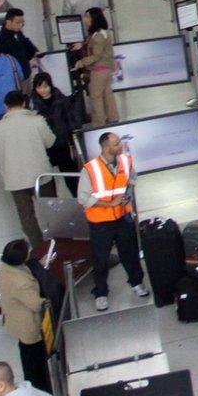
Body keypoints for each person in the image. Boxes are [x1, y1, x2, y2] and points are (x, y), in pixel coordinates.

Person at [79, 132, 148, 311]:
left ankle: (136, 282)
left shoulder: (125, 161)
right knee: (100, 258)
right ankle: (101, 292)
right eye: (117, 143)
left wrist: (128, 193)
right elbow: (83, 198)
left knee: (130, 252)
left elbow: (132, 177)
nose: (121, 146)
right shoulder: (90, 169)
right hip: (101, 222)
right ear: (105, 147)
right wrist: (109, 203)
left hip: (123, 218)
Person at [0, 92, 53, 247]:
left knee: (26, 216)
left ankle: (39, 248)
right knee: (52, 211)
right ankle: (59, 243)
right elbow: (50, 142)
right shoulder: (37, 121)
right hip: (41, 175)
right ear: (24, 104)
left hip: (14, 179)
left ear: (5, 106)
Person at [0, 243, 51, 396]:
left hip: (15, 318)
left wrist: (38, 266)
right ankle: (40, 389)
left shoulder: (7, 268)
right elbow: (35, 304)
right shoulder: (22, 283)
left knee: (26, 350)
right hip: (28, 324)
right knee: (34, 359)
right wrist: (47, 301)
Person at [26, 75, 79, 180]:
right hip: (43, 145)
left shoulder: (61, 100)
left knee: (69, 172)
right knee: (46, 176)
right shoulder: (33, 104)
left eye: (45, 87)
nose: (42, 90)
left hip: (61, 142)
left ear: (50, 85)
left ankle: (76, 194)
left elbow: (70, 119)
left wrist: (73, 140)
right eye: (39, 87)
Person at [71, 9, 118, 127]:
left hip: (99, 70)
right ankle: (113, 118)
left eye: (88, 17)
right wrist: (82, 44)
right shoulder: (101, 33)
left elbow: (96, 55)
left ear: (94, 19)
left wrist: (81, 62)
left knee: (95, 96)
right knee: (107, 94)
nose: (85, 20)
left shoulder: (98, 36)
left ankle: (98, 122)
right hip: (106, 69)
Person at [0, 9, 39, 81]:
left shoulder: (17, 33)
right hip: (14, 78)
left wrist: (35, 51)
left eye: (22, 23)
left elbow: (26, 42)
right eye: (18, 23)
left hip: (25, 74)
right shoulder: (1, 39)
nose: (20, 25)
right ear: (8, 22)